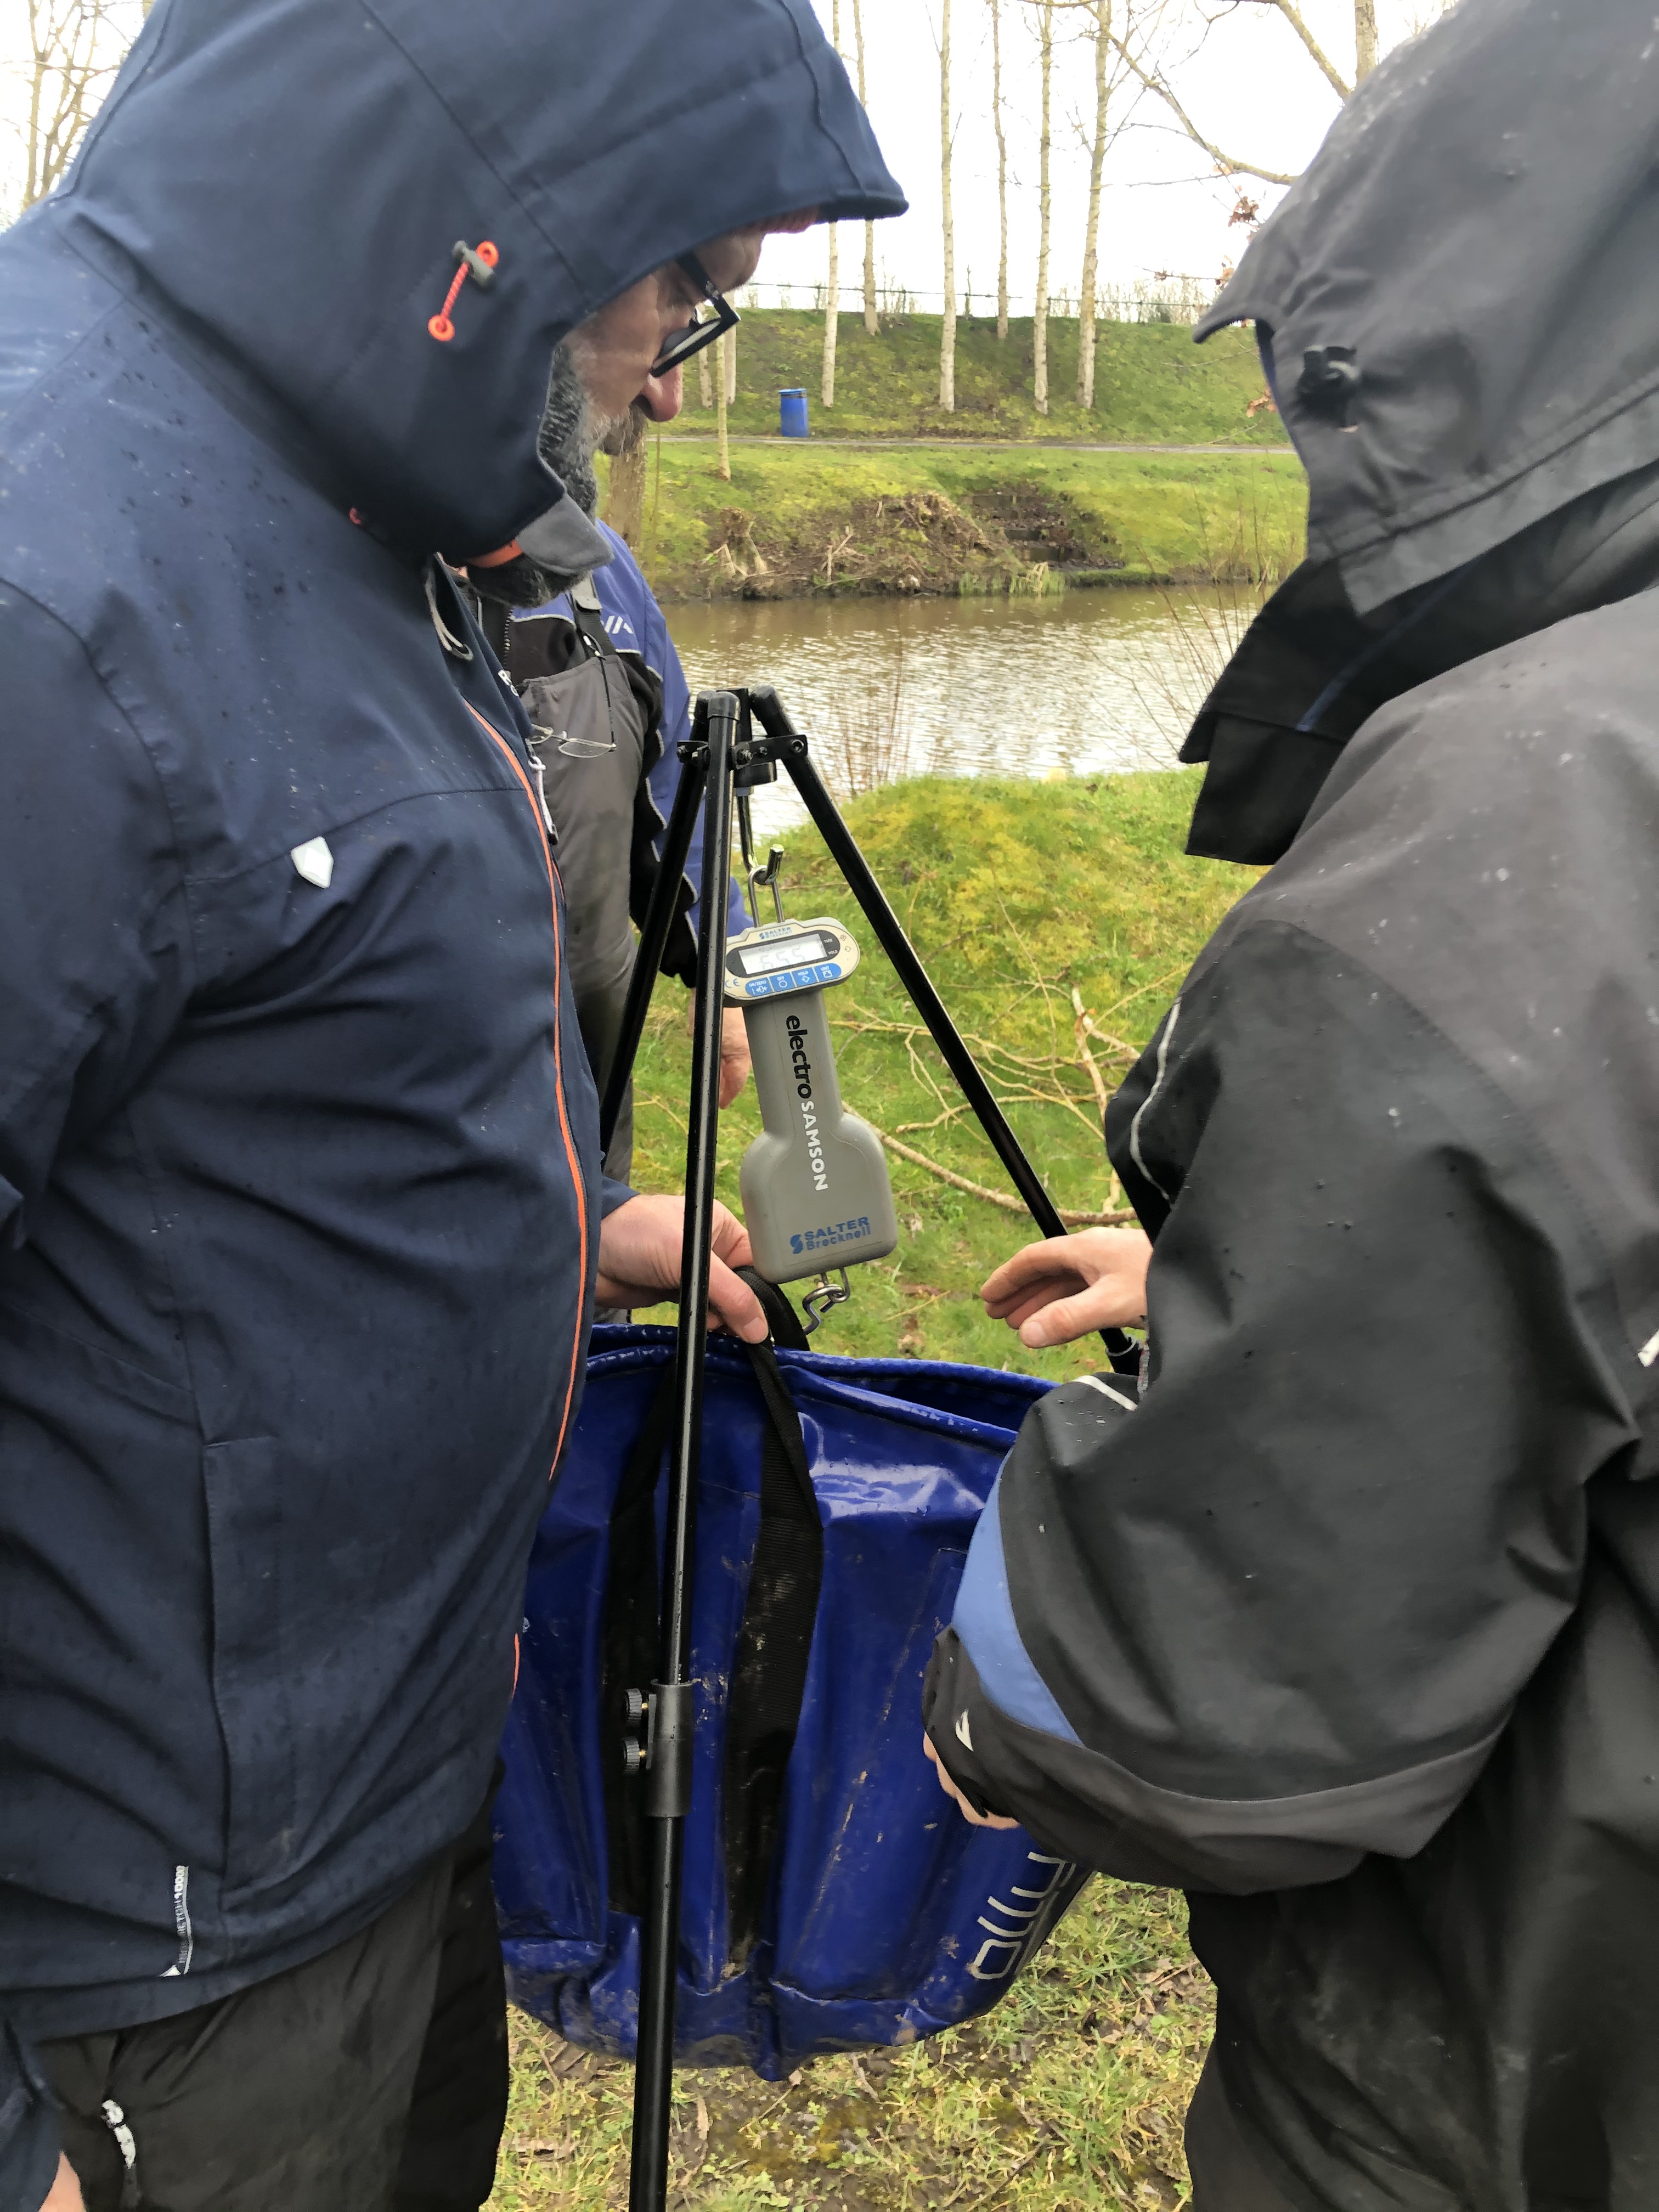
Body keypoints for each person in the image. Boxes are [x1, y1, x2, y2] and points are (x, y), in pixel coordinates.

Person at [0, 2, 904, 2207]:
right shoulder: (52, 575)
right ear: (499, 203)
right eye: (687, 281)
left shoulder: (365, 506)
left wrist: (555, 1226)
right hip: (144, 1932)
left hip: (388, 1787)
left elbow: (285, 1047)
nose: (679, 370)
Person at [922, 2, 1659, 2205]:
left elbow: (1218, 1691)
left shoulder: (1529, 807)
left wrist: (991, 1712)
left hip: (1518, 2087)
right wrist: (1285, 1266)